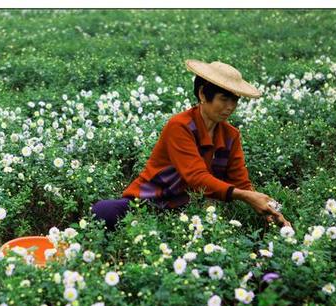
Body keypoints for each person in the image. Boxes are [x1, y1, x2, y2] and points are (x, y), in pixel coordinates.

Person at [91, 59, 291, 230]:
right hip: (151, 202)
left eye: (235, 100)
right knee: (103, 211)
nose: (230, 107)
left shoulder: (231, 135)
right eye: (224, 99)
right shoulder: (180, 126)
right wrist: (245, 196)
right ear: (203, 95)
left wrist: (269, 210)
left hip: (189, 211)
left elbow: (241, 183)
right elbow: (196, 177)